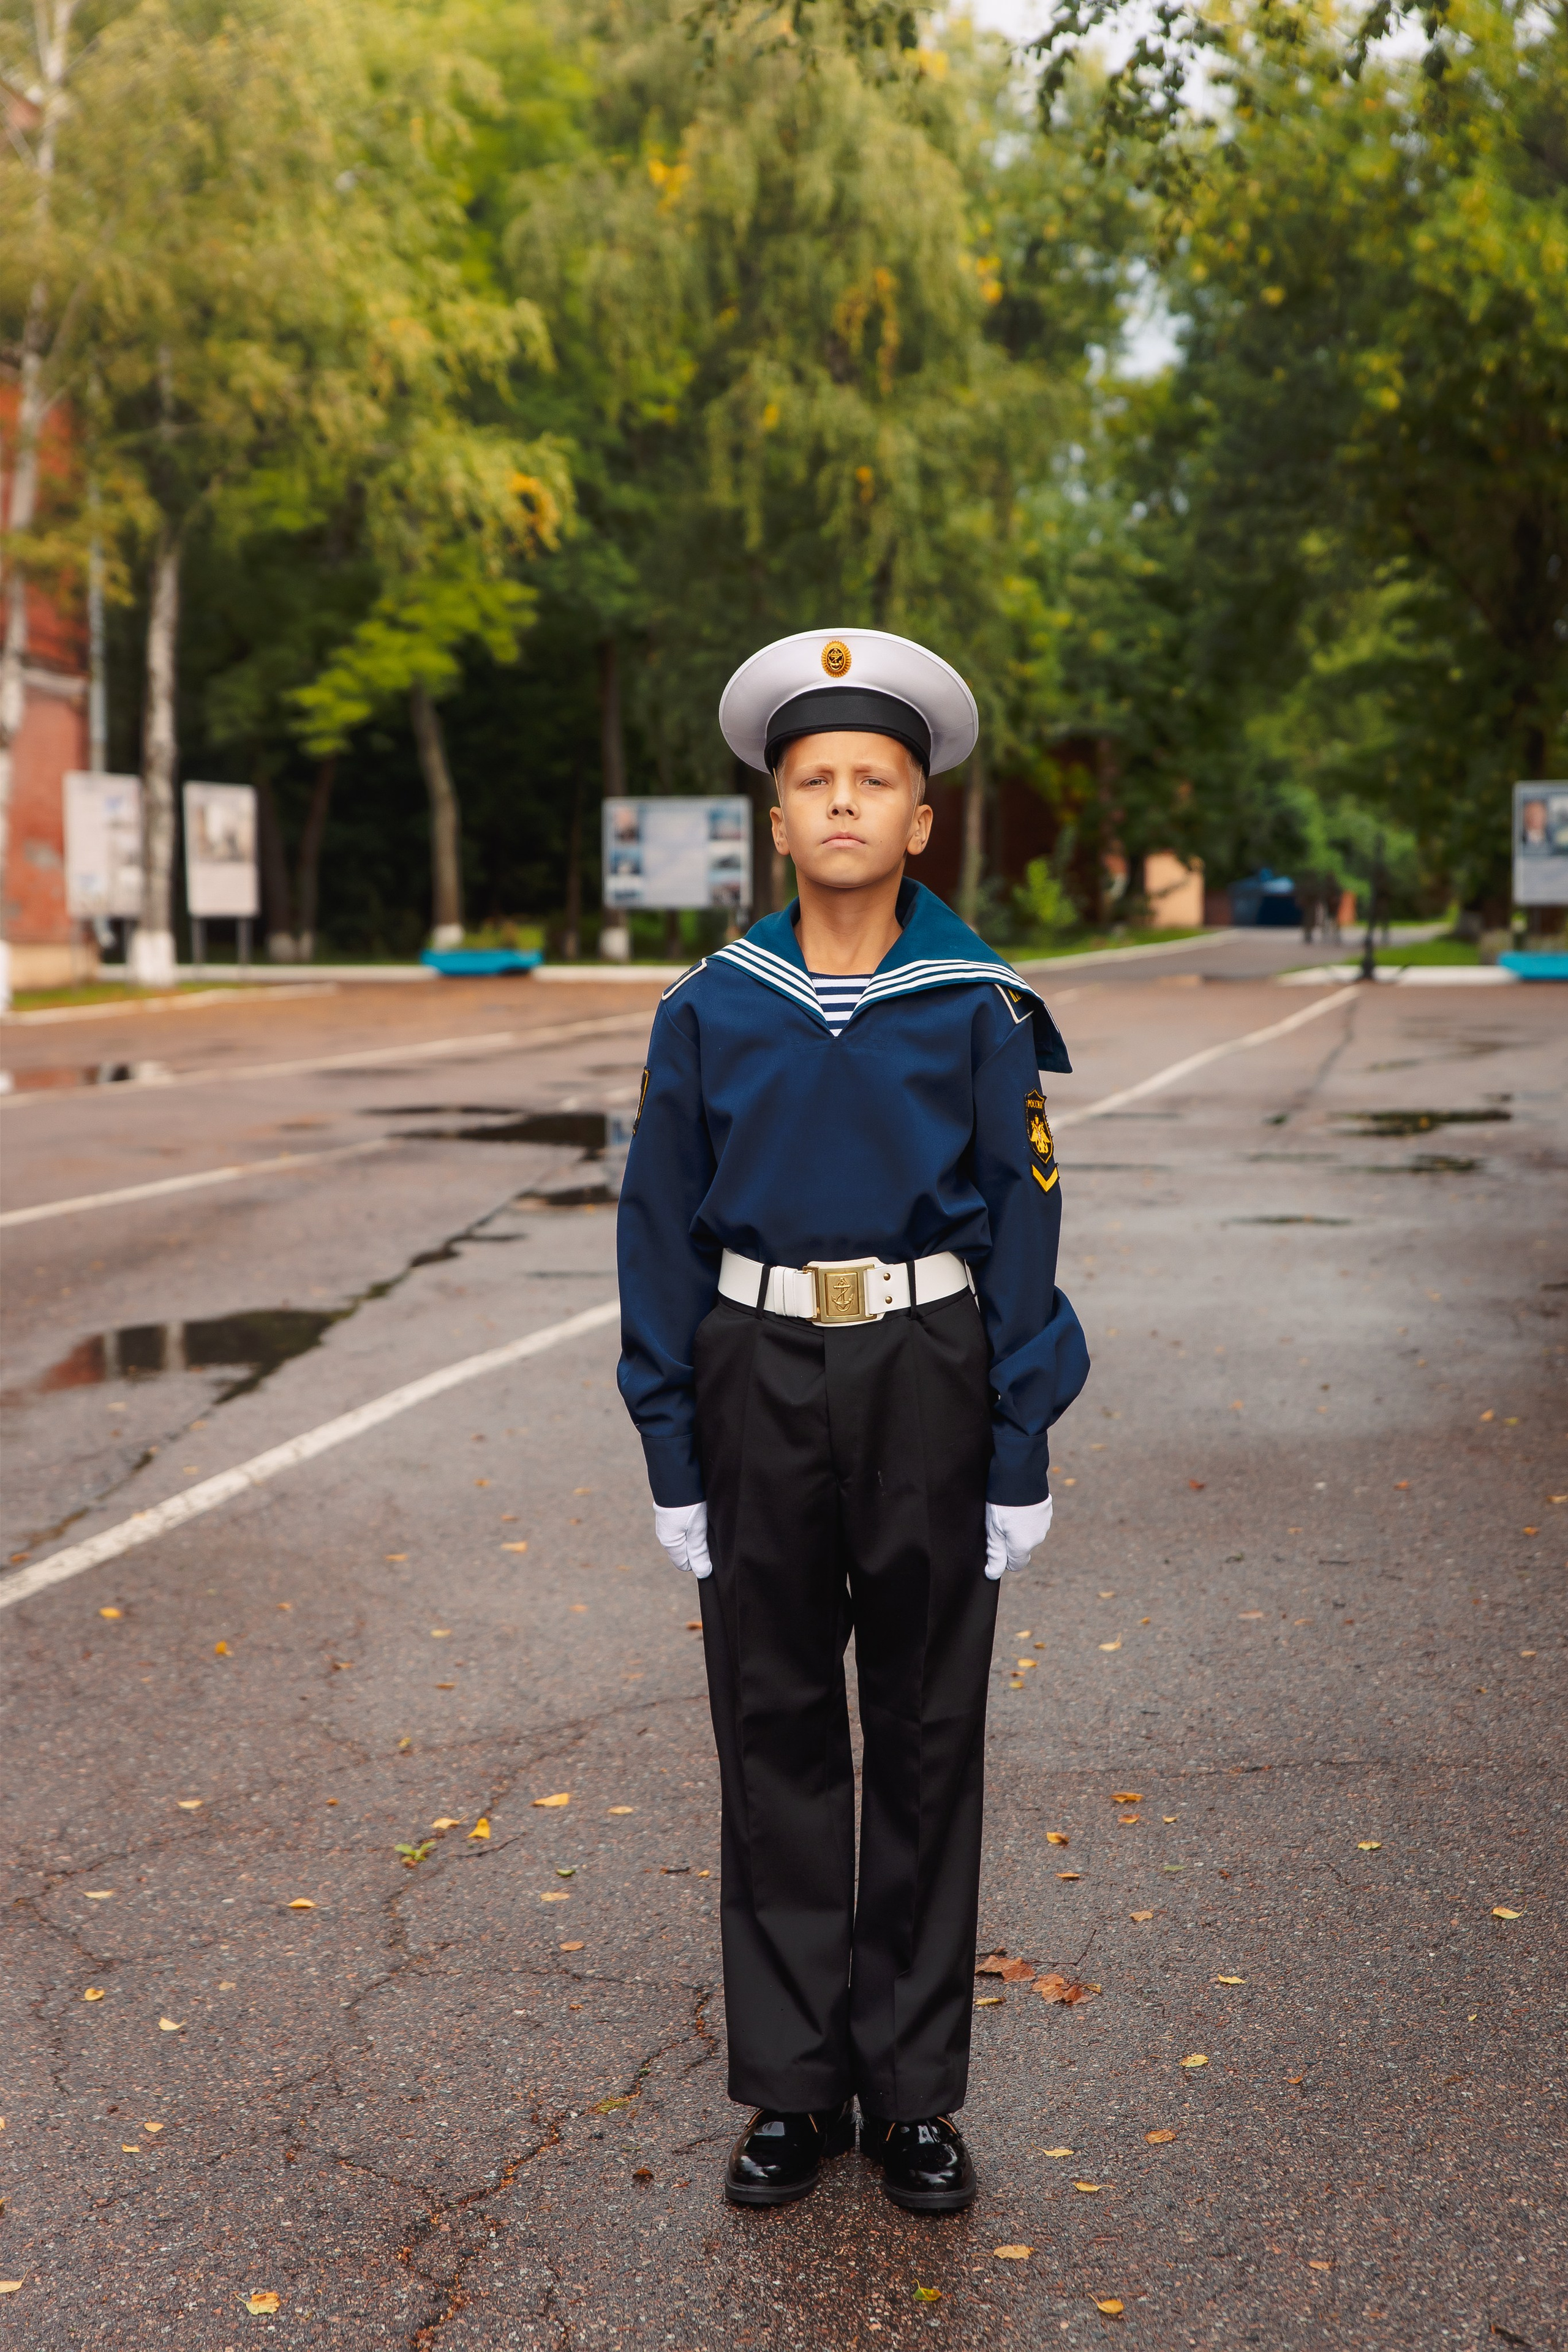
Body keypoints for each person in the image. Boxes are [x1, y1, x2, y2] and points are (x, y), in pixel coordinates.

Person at [615, 628, 1089, 2213]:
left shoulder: (975, 1006)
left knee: (930, 1729)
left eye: (872, 779)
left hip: (924, 1372)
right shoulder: (710, 1012)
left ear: (920, 820)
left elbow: (1023, 1230)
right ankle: (796, 2087)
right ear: (775, 818)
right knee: (775, 1732)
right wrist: (673, 1448)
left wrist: (1019, 1439)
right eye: (812, 779)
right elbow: (657, 1238)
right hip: (756, 1371)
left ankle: (913, 2093)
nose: (840, 803)